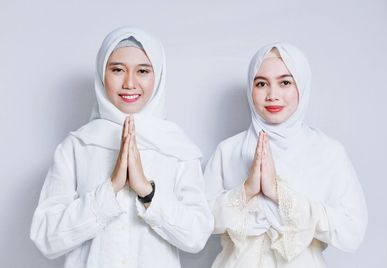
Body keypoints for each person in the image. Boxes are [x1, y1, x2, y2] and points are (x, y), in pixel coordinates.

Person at [30, 26, 214, 268]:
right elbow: (45, 237)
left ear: (157, 76)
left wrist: (147, 192)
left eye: (143, 71)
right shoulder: (77, 146)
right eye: (117, 70)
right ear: (101, 73)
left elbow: (196, 236)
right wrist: (111, 188)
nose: (129, 83)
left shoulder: (178, 148)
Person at [204, 43, 368, 267]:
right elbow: (199, 222)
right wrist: (246, 191)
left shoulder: (327, 152)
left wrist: (279, 194)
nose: (272, 95)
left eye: (285, 83)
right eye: (261, 84)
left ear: (301, 85)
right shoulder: (228, 150)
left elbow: (352, 232)